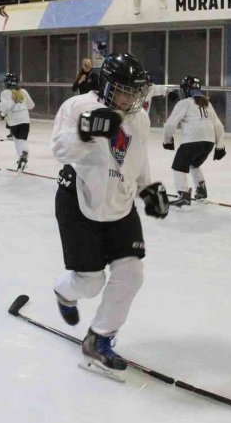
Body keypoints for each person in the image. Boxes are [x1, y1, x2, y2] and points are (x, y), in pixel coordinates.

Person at [50, 52, 169, 382]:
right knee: (90, 282)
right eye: (123, 91)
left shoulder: (139, 119)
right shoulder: (78, 107)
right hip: (79, 199)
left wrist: (148, 189)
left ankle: (98, 339)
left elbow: (136, 159)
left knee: (132, 273)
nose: (130, 98)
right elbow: (60, 149)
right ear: (106, 86)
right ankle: (65, 291)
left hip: (120, 205)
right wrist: (85, 132)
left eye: (135, 92)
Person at [163, 76, 226, 208]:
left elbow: (170, 124)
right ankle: (201, 190)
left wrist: (167, 140)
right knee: (194, 165)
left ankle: (183, 194)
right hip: (209, 142)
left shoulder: (184, 103)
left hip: (192, 140)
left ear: (186, 89)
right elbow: (219, 126)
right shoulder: (208, 103)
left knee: (178, 166)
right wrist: (220, 147)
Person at [0, 72, 36, 172]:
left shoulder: (5, 92)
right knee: (22, 140)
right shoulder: (23, 91)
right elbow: (31, 105)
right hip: (25, 120)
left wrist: (1, 114)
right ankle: (23, 156)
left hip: (14, 121)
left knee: (17, 140)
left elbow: (7, 106)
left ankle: (22, 155)